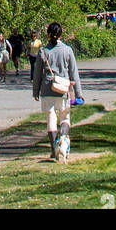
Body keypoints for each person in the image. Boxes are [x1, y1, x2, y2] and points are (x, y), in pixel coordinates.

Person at [32, 22, 84, 161]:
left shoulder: (43, 51)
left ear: (48, 34)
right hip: (63, 88)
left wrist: (35, 91)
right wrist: (78, 93)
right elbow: (74, 73)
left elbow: (37, 74)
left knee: (51, 119)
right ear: (61, 34)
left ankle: (54, 147)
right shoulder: (67, 50)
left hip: (47, 88)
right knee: (65, 117)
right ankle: (63, 138)